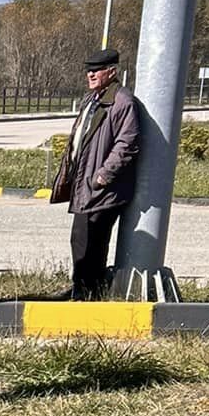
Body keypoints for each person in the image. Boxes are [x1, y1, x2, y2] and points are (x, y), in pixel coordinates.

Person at [62, 49, 141, 299]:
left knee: (90, 241)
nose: (90, 74)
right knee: (81, 240)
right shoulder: (92, 99)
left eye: (96, 70)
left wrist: (102, 176)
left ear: (112, 71)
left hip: (102, 189)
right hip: (85, 183)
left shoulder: (122, 101)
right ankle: (83, 289)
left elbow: (127, 143)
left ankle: (87, 293)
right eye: (88, 70)